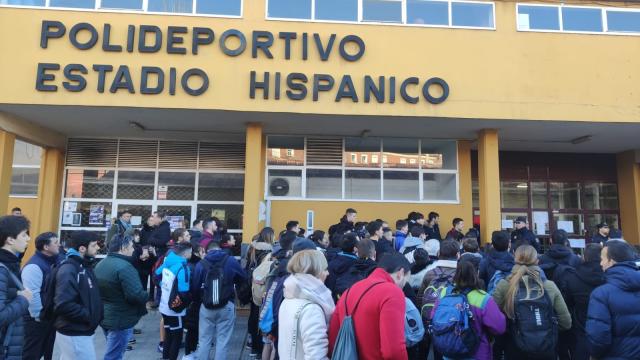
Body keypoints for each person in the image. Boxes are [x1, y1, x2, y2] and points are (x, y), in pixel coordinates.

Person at [492, 245, 571, 360]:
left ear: (515, 259)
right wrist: (545, 330)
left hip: (514, 346)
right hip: (546, 348)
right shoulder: (549, 286)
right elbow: (566, 323)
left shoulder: (504, 285)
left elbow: (493, 318)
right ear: (537, 261)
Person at [328, 253, 410, 360]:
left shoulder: (349, 291)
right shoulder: (392, 292)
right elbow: (393, 351)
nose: (404, 287)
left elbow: (333, 338)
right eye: (405, 282)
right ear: (401, 273)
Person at [432, 261, 506, 360]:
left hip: (449, 351)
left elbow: (433, 316)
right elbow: (499, 327)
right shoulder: (483, 298)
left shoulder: (444, 293)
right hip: (476, 353)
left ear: (456, 273)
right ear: (477, 273)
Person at [95, 235, 148, 360]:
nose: (133, 250)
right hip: (120, 319)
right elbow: (136, 295)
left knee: (112, 350)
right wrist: (147, 295)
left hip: (106, 316)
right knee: (114, 356)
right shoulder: (125, 267)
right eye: (131, 247)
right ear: (123, 248)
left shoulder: (101, 264)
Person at [192, 240, 247, 360]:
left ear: (206, 251)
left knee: (204, 340)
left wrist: (200, 300)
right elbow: (243, 278)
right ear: (220, 249)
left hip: (206, 306)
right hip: (227, 305)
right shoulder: (231, 261)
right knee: (223, 341)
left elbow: (195, 287)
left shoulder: (201, 264)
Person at [53, 230, 103, 360]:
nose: (98, 248)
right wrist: (89, 315)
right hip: (75, 332)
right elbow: (64, 304)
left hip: (81, 330)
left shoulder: (84, 266)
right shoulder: (69, 269)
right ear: (82, 248)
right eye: (94, 245)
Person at [586, 240, 640, 359]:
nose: (600, 263)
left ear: (611, 261)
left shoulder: (601, 294)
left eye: (602, 259)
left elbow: (598, 337)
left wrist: (594, 355)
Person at [278, 249, 335, 359]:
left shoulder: (289, 298)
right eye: (325, 269)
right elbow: (316, 356)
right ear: (316, 271)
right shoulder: (311, 309)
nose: (327, 273)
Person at [558, 243, 605, 360]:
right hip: (606, 329)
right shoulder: (609, 276)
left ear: (584, 257)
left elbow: (567, 303)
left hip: (581, 329)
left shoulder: (572, 277)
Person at [21, 232, 60, 360]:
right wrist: (38, 316)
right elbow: (32, 295)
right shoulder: (34, 266)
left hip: (47, 317)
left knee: (45, 352)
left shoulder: (53, 261)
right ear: (46, 247)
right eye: (55, 242)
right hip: (36, 320)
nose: (59, 244)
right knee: (32, 354)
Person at [0, 216, 32, 360]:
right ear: (10, 239)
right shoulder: (2, 269)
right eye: (24, 235)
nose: (28, 239)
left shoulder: (11, 264)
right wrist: (23, 299)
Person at [156, 243, 192, 360]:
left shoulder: (167, 262)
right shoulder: (183, 267)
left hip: (164, 306)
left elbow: (156, 275)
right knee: (176, 339)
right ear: (186, 253)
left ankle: (165, 357)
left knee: (168, 336)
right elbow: (184, 293)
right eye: (190, 252)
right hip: (175, 310)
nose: (191, 254)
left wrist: (163, 286)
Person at [246, 227, 275, 357]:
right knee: (262, 315)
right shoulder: (270, 251)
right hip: (263, 285)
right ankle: (260, 348)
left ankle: (252, 344)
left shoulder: (251, 248)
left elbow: (247, 265)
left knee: (253, 313)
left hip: (252, 284)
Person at [325, 232, 359, 301]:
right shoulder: (356, 266)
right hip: (347, 303)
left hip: (330, 301)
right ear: (355, 248)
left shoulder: (331, 261)